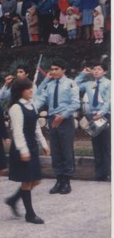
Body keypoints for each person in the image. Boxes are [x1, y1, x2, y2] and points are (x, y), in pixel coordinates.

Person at [5, 78, 50, 224]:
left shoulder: (32, 106)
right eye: (28, 88)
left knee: (35, 180)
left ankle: (13, 199)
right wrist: (23, 150)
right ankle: (30, 214)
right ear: (20, 91)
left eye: (32, 88)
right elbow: (17, 132)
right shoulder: (16, 108)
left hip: (32, 146)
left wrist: (44, 143)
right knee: (27, 180)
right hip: (21, 148)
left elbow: (36, 127)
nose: (32, 90)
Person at [33, 59, 80, 194]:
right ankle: (58, 180)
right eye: (51, 69)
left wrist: (63, 116)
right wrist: (29, 111)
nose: (53, 72)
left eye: (56, 69)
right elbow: (40, 99)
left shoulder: (71, 84)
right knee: (56, 151)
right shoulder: (50, 85)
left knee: (66, 150)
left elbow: (75, 103)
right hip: (52, 120)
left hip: (65, 120)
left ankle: (66, 181)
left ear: (63, 70)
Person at [74, 63, 111, 181]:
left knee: (106, 145)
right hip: (92, 116)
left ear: (104, 72)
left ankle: (108, 172)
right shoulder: (90, 84)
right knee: (96, 144)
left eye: (99, 69)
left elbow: (108, 101)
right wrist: (83, 73)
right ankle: (99, 173)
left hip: (104, 115)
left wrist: (100, 114)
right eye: (94, 69)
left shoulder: (108, 83)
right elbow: (75, 85)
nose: (96, 71)